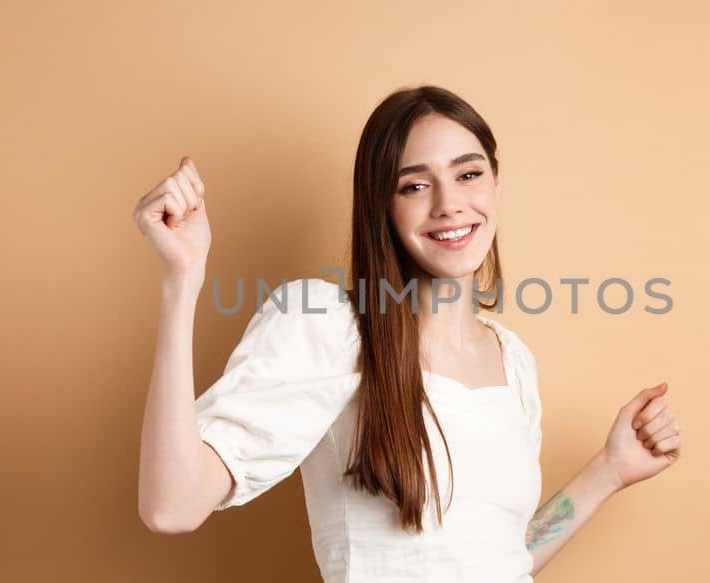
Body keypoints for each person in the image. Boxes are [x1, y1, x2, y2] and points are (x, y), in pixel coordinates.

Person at [132, 85, 682, 581]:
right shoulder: (327, 324)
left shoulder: (512, 359)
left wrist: (609, 471)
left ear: (494, 182)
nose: (450, 204)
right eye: (415, 185)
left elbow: (499, 560)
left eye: (468, 174)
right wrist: (182, 281)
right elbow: (172, 506)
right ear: (382, 207)